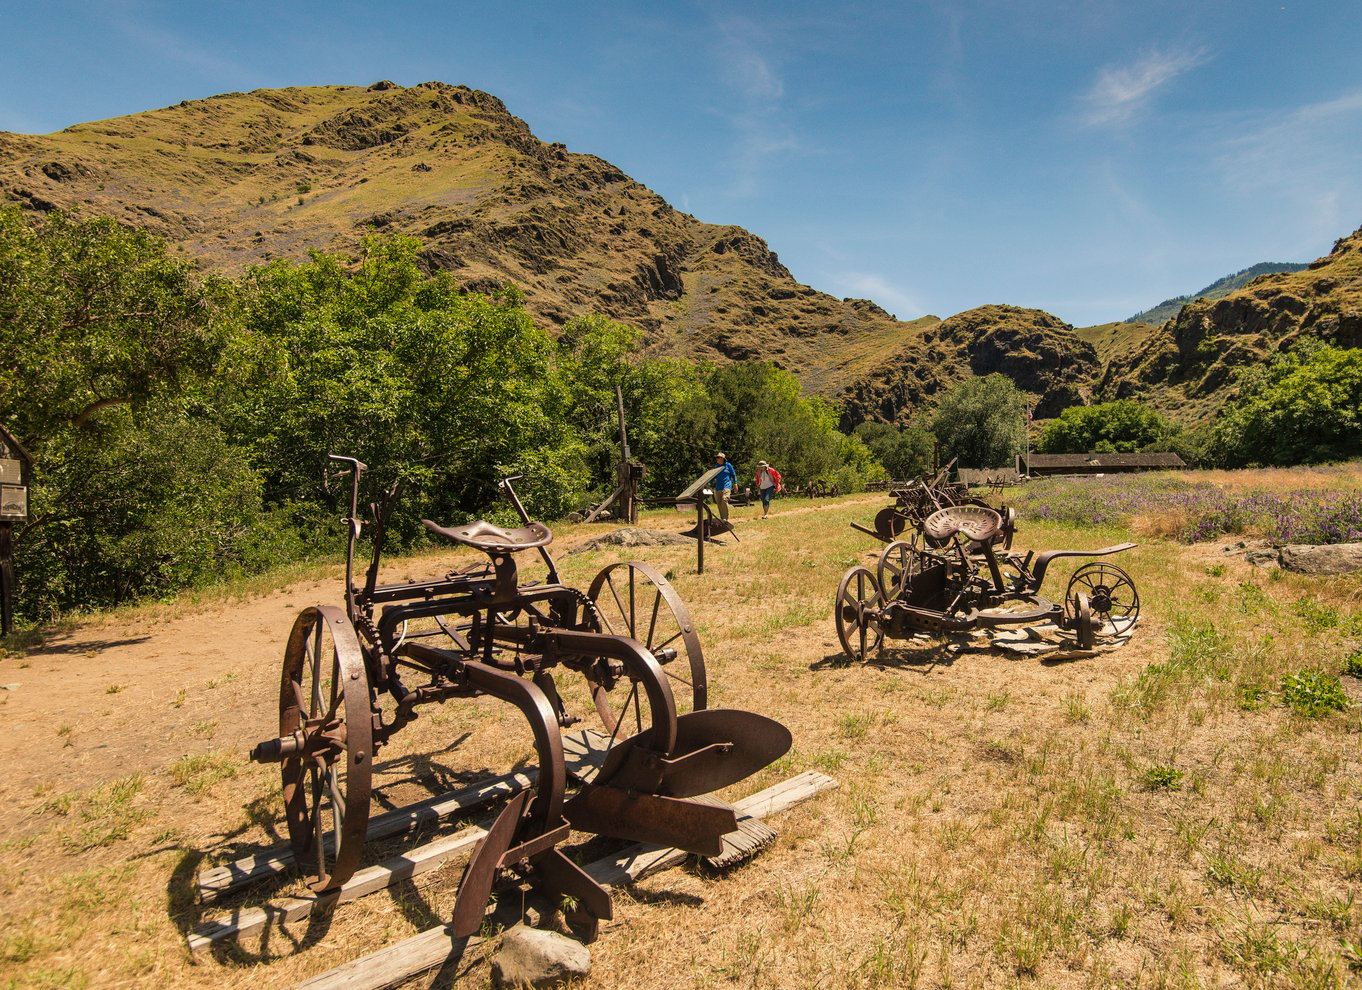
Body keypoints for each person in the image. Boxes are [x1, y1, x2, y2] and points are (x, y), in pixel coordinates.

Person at [710, 452, 737, 521]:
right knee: (719, 503)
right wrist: (708, 483)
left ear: (722, 458)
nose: (717, 459)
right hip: (718, 487)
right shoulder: (716, 467)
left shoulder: (728, 465)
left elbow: (733, 475)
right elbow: (713, 477)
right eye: (716, 457)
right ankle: (722, 519)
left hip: (726, 486)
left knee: (724, 500)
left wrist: (735, 484)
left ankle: (725, 518)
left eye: (718, 457)